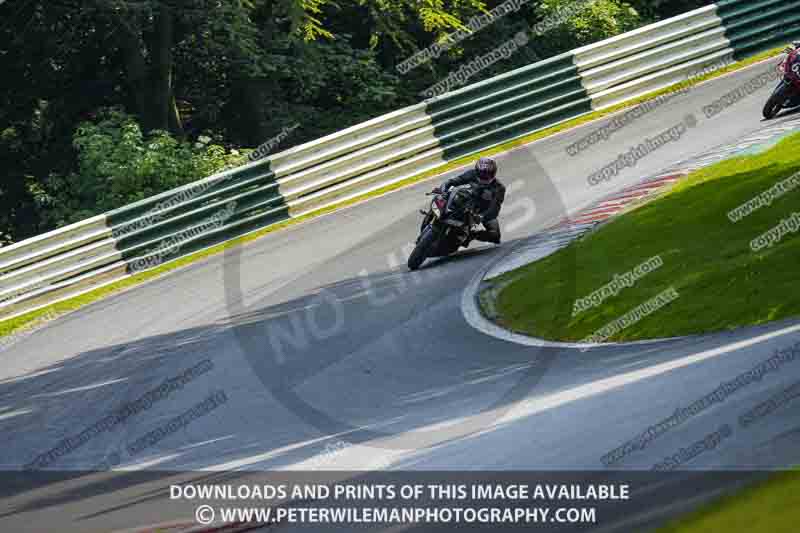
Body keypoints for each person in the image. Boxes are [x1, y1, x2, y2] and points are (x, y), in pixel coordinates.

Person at [434, 157, 506, 244]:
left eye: (488, 174)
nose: (484, 177)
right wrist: (443, 190)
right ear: (476, 171)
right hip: (466, 201)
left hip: (483, 211)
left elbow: (495, 208)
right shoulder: (471, 174)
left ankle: (471, 235)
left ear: (494, 173)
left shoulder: (499, 188)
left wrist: (482, 216)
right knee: (443, 199)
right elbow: (451, 182)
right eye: (481, 174)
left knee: (495, 236)